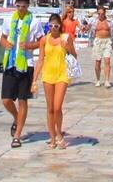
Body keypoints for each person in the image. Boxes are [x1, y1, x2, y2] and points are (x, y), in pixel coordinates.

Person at [0, 0, 45, 148]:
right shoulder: (9, 19)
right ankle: (17, 117)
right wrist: (6, 44)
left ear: (28, 6)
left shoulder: (35, 22)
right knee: (6, 99)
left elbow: (41, 41)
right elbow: (3, 37)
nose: (20, 9)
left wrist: (29, 46)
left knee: (22, 100)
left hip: (26, 64)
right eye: (18, 6)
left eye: (23, 6)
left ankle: (17, 135)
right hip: (11, 63)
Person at [36, 15, 75, 149]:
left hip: (62, 75)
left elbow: (75, 55)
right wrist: (33, 80)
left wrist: (68, 47)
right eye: (51, 26)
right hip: (48, 75)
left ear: (60, 26)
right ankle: (52, 137)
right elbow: (40, 59)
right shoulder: (44, 40)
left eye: (56, 26)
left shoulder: (66, 38)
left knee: (57, 107)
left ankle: (59, 134)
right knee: (50, 108)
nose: (53, 28)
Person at [91, 4, 113, 88]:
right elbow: (90, 31)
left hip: (107, 41)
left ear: (105, 13)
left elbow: (112, 32)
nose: (100, 15)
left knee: (107, 60)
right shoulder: (94, 21)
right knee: (98, 62)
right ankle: (98, 80)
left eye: (102, 14)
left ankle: (107, 80)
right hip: (98, 41)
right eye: (99, 14)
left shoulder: (109, 21)